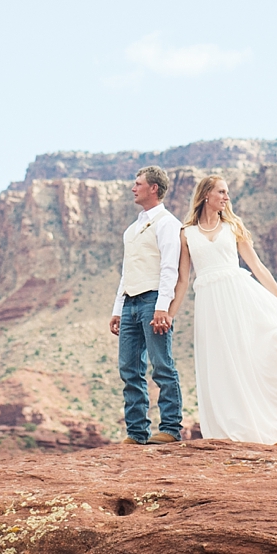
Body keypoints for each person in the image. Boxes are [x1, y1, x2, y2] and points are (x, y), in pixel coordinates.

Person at [159, 172, 277, 447]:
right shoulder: (187, 234)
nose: (226, 197)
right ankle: (231, 430)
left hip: (240, 298)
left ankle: (268, 424)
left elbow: (257, 267)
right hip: (210, 305)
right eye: (221, 191)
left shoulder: (233, 227)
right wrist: (170, 313)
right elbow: (183, 280)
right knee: (221, 365)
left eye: (227, 192)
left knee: (257, 354)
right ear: (206, 194)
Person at [106, 165, 184, 445]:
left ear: (154, 188)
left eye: (138, 183)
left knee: (162, 364)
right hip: (130, 303)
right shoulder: (132, 229)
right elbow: (127, 272)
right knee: (129, 369)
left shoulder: (167, 224)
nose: (133, 187)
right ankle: (137, 432)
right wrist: (118, 309)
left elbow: (169, 269)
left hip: (153, 300)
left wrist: (163, 307)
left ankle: (171, 429)